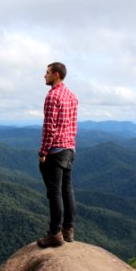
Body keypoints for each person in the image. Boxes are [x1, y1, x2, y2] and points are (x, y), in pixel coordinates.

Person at [37, 62, 78, 248]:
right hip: (70, 149)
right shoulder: (72, 96)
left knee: (54, 192)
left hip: (55, 150)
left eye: (46, 73)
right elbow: (73, 126)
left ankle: (55, 233)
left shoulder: (53, 96)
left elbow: (49, 127)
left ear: (56, 74)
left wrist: (43, 152)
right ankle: (68, 230)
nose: (44, 76)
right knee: (67, 190)